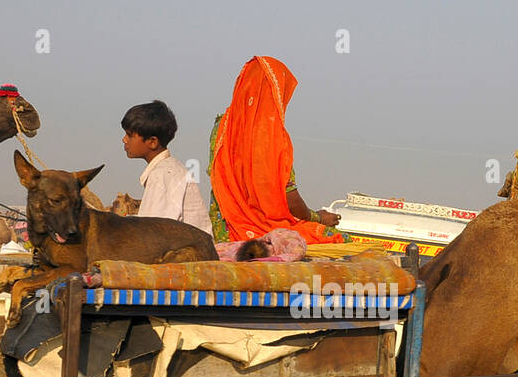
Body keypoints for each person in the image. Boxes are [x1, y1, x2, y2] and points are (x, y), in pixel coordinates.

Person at [207, 56, 348, 245]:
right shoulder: (273, 136)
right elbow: (291, 201)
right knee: (344, 240)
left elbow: (216, 179)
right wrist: (318, 217)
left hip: (225, 228)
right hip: (264, 232)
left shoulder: (222, 127)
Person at [121, 100, 212, 237]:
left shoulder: (162, 175)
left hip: (190, 253)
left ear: (152, 142)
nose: (124, 140)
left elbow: (151, 233)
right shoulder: (169, 169)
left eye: (130, 135)